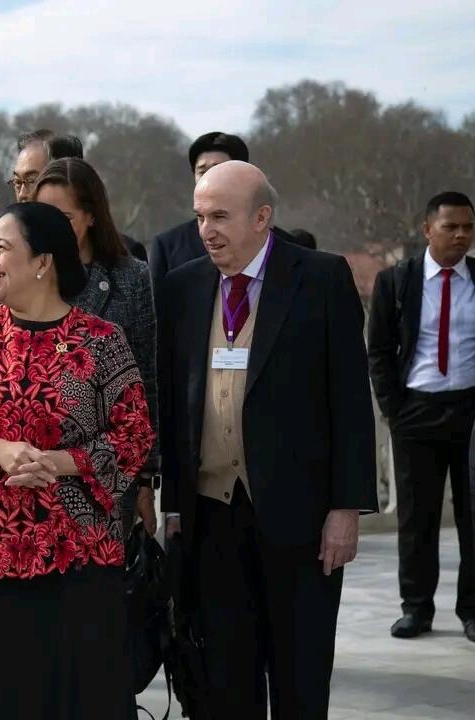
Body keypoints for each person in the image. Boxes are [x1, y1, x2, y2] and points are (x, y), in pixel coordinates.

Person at [158, 161, 377, 718]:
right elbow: (174, 403)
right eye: (200, 216)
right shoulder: (183, 285)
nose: (207, 229)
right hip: (213, 517)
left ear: (262, 217)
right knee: (228, 679)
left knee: (300, 676)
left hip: (300, 519)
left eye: (220, 216)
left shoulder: (321, 277)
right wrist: (175, 507)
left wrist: (345, 508)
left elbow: (350, 400)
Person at [0, 201, 153, 718]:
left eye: (3, 248)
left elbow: (134, 434)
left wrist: (60, 462)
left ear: (43, 261)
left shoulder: (101, 341)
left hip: (75, 565)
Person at [367, 191, 475, 643]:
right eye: (451, 227)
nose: (461, 236)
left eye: (468, 228)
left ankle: (472, 611)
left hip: (470, 412)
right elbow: (379, 350)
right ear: (427, 229)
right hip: (417, 411)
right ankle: (416, 608)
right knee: (417, 518)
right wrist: (394, 411)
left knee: (472, 517)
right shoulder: (398, 281)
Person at [32, 157, 159, 536]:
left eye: (64, 218)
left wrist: (145, 478)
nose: (51, 230)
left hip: (100, 477)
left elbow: (145, 379)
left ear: (91, 216)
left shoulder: (130, 278)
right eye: (41, 216)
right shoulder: (19, 271)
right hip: (28, 474)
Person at [11, 130, 147, 261]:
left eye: (32, 181)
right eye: (17, 182)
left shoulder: (127, 258)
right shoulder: (6, 254)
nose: (22, 194)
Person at [149, 131, 250, 291]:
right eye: (202, 171)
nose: (209, 177)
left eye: (218, 169)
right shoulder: (168, 246)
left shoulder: (277, 243)